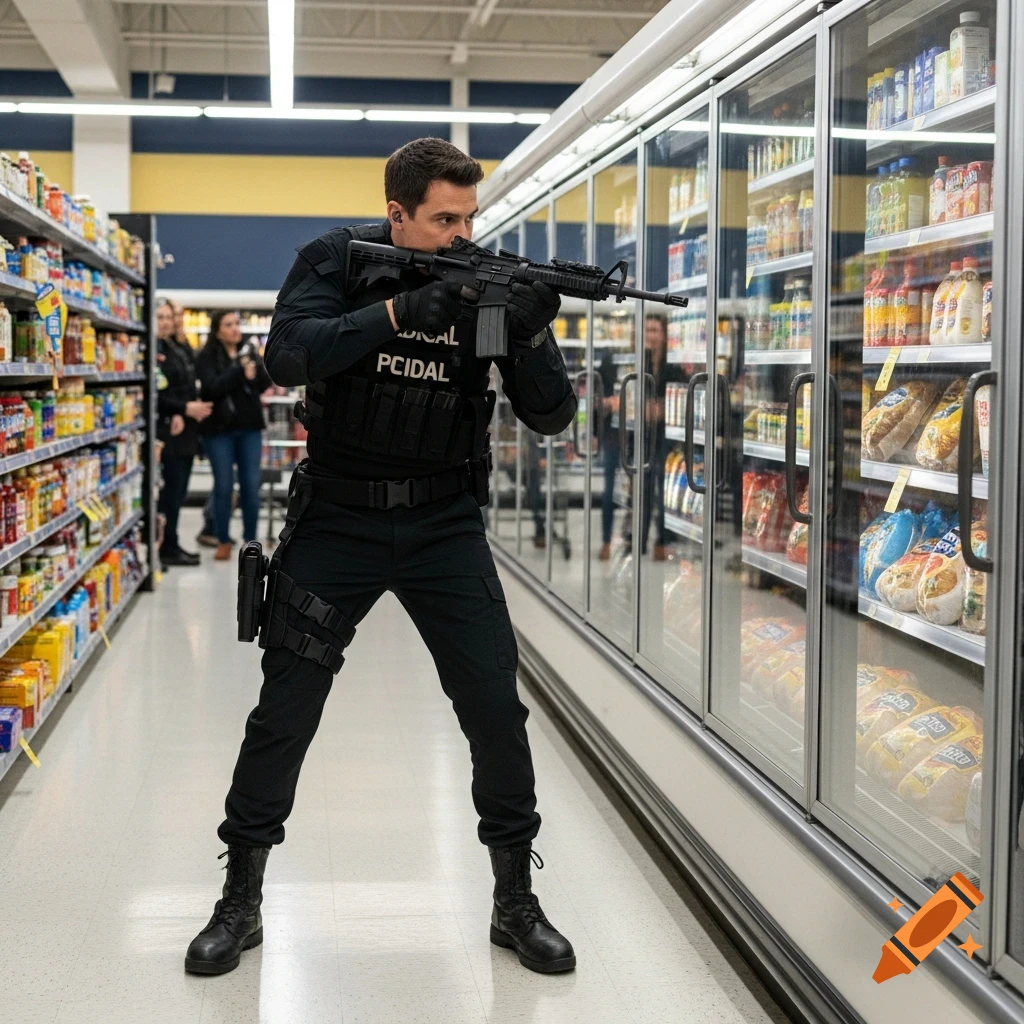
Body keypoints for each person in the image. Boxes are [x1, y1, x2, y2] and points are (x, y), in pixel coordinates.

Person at [185, 137, 578, 978]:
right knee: (284, 711)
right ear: (396, 213)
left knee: (495, 715)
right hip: (338, 524)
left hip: (446, 528)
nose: (460, 234)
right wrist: (403, 313)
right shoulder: (333, 260)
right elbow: (287, 355)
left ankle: (515, 899)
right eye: (443, 219)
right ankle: (240, 897)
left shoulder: (485, 285)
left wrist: (533, 334)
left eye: (470, 217)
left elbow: (552, 417)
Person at [195, 311, 273, 561]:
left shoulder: (249, 351)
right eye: (228, 325)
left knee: (251, 485)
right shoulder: (207, 356)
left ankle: (250, 540)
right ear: (217, 330)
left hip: (249, 428)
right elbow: (211, 388)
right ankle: (223, 539)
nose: (235, 329)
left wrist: (255, 371)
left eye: (237, 324)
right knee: (224, 486)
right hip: (219, 430)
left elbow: (263, 384)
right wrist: (239, 372)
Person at [155, 299, 213, 566]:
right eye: (161, 317)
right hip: (168, 433)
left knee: (177, 493)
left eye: (169, 317)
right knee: (170, 493)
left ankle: (171, 542)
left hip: (184, 432)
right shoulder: (155, 350)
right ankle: (166, 546)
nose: (167, 322)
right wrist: (183, 408)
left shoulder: (173, 346)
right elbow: (156, 393)